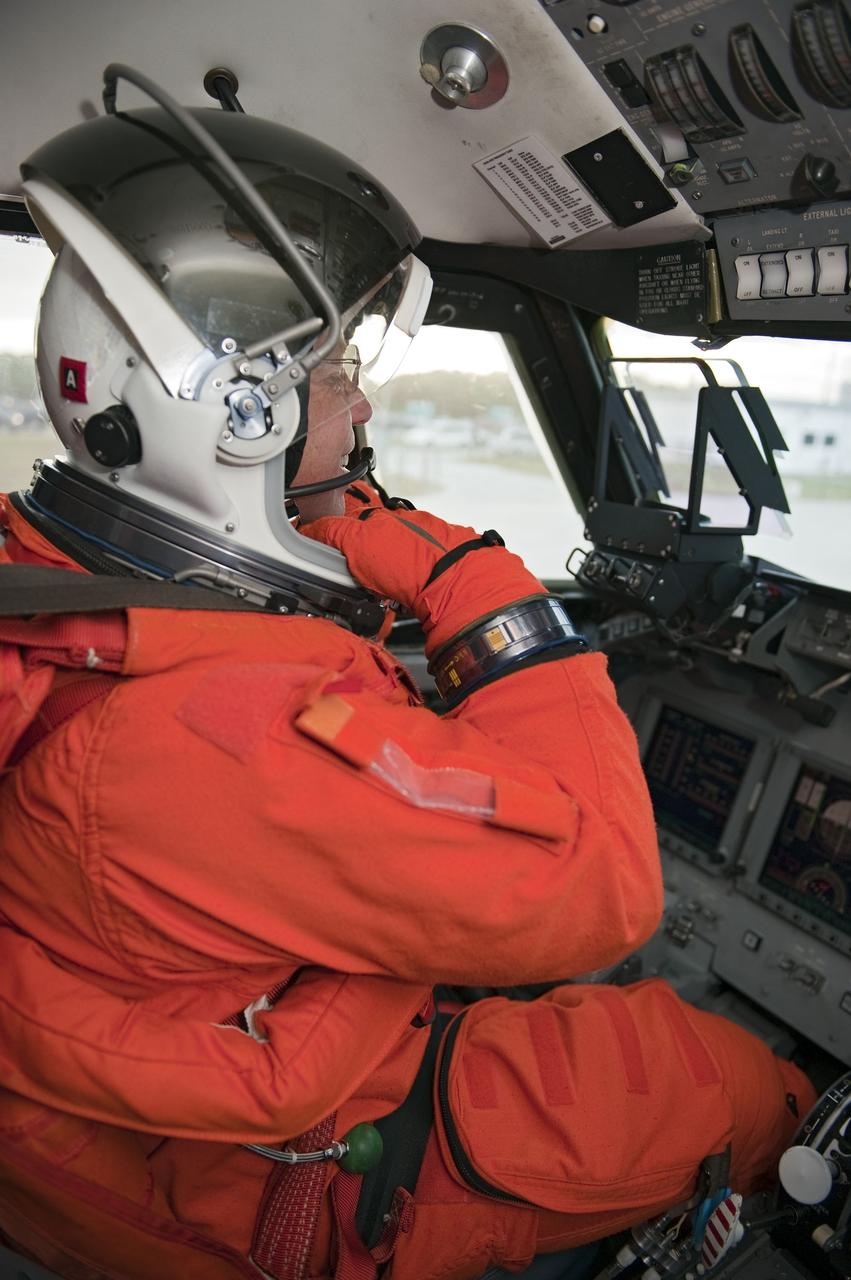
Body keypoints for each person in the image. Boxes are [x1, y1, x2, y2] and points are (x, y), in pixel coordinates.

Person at [0, 71, 814, 1280]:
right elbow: (606, 885)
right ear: (238, 412)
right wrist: (471, 577)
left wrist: (322, 521)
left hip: (163, 1091)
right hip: (286, 1174)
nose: (362, 399)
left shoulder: (53, 584)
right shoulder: (213, 732)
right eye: (333, 375)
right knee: (741, 1080)